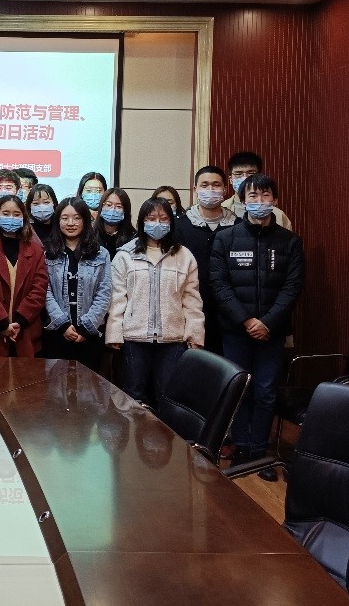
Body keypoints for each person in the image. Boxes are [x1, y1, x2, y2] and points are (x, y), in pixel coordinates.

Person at [211, 174, 304, 478]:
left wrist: (267, 322)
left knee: (265, 391)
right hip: (236, 331)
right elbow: (219, 285)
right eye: (253, 196)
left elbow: (292, 287)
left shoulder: (290, 242)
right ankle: (240, 447)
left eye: (266, 196)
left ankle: (258, 451)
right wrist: (247, 320)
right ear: (242, 200)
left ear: (275, 200)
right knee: (240, 389)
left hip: (271, 332)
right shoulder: (225, 238)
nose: (260, 202)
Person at [106, 197, 205, 409]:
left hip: (172, 339)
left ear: (171, 222)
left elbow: (191, 299)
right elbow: (117, 298)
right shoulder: (125, 255)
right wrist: (114, 332)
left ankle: (166, 432)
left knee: (168, 397)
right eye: (151, 218)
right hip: (134, 337)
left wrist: (195, 334)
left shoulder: (183, 255)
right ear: (142, 221)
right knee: (132, 397)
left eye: (163, 218)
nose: (157, 223)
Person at [0, 195, 49, 357]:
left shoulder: (35, 250)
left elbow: (39, 289)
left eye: (16, 214)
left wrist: (20, 321)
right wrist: (2, 323)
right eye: (6, 213)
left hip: (26, 332)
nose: (11, 218)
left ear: (24, 218)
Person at [41, 197, 112, 369]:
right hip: (56, 334)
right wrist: (63, 325)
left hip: (90, 335)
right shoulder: (47, 252)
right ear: (57, 221)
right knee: (56, 384)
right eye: (65, 218)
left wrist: (87, 327)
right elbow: (45, 291)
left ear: (85, 220)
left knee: (88, 385)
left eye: (77, 218)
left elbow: (104, 292)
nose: (71, 223)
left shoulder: (100, 254)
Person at [174, 166, 237, 355]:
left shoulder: (238, 226)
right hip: (188, 311)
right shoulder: (179, 227)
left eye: (216, 185)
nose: (210, 190)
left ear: (225, 189)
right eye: (205, 185)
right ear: (195, 189)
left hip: (230, 314)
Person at [221, 151, 293, 229]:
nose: (245, 178)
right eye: (238, 174)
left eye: (251, 173)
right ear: (231, 179)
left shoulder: (279, 215)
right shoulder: (220, 210)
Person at [94, 187, 135, 259]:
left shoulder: (133, 238)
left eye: (119, 206)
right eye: (109, 205)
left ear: (125, 211)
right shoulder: (91, 235)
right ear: (101, 207)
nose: (113, 209)